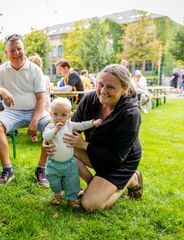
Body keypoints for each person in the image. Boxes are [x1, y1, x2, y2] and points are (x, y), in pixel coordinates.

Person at [44, 64, 143, 211]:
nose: (103, 91)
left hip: (120, 162)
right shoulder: (90, 99)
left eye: (111, 87)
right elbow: (70, 129)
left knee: (90, 204)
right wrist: (49, 142)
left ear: (125, 88)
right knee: (65, 148)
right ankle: (94, 184)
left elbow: (117, 157)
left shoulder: (130, 114)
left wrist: (84, 145)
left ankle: (132, 179)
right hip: (97, 153)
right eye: (100, 84)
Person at [0, 34, 50, 186]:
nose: (16, 53)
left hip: (35, 110)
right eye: (12, 50)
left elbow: (42, 99)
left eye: (19, 49)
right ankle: (8, 170)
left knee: (51, 126)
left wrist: (34, 122)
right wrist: (3, 91)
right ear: (6, 53)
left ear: (24, 49)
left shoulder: (35, 69)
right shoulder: (2, 69)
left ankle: (41, 169)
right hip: (12, 112)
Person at [43, 97, 101, 209]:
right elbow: (46, 136)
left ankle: (72, 198)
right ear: (51, 114)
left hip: (69, 163)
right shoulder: (50, 127)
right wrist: (56, 130)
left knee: (72, 181)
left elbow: (82, 125)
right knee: (54, 180)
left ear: (69, 115)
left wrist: (93, 123)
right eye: (55, 114)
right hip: (54, 163)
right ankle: (57, 195)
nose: (59, 118)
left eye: (63, 115)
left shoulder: (70, 125)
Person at [28, 54, 51, 142]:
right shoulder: (46, 78)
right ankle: (46, 135)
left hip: (38, 104)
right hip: (46, 104)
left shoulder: (32, 78)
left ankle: (34, 135)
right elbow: (48, 92)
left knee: (34, 113)